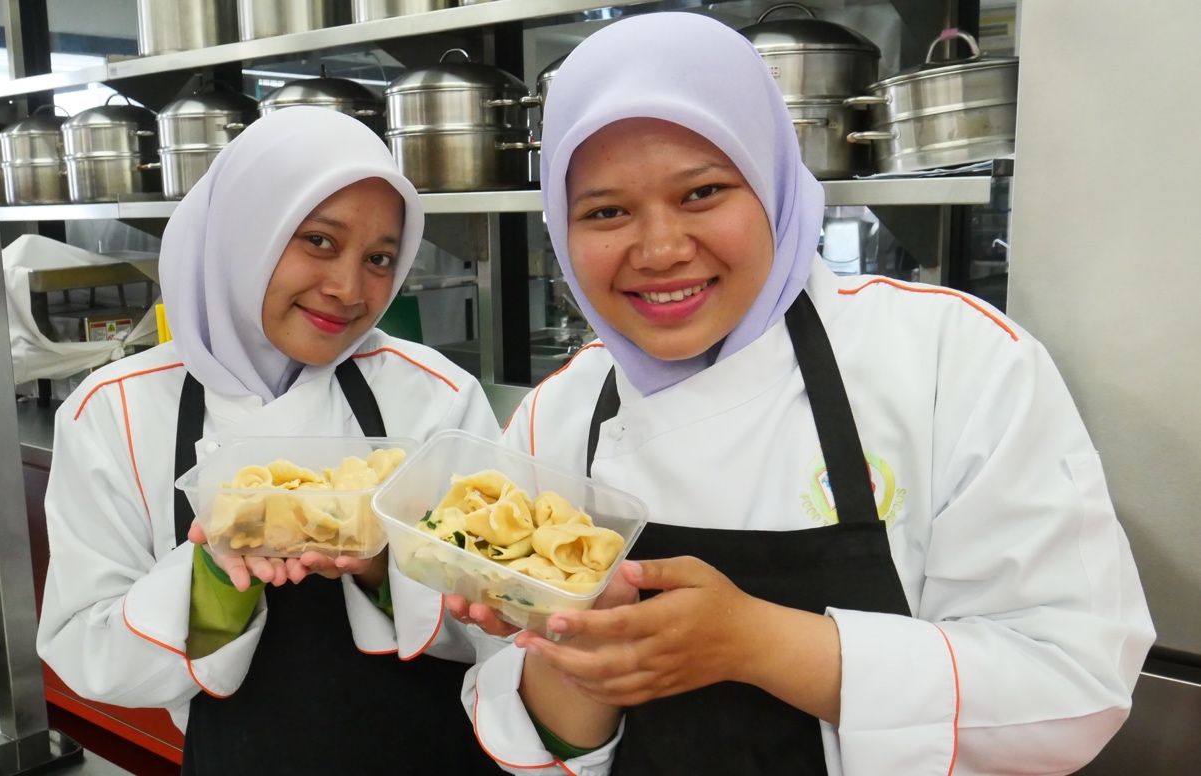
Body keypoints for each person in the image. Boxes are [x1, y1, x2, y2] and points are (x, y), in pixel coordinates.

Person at [451, 13, 1154, 776]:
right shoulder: (555, 419)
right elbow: (541, 738)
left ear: (776, 183)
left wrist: (757, 644)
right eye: (606, 211)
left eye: (704, 192)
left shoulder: (954, 362)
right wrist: (576, 659)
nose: (658, 250)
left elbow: (1071, 688)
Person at [37, 107, 504, 775]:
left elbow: (499, 624)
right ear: (244, 235)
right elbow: (89, 654)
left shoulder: (432, 394)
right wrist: (213, 581)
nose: (348, 289)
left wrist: (378, 563)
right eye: (318, 240)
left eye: (380, 258)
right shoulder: (116, 410)